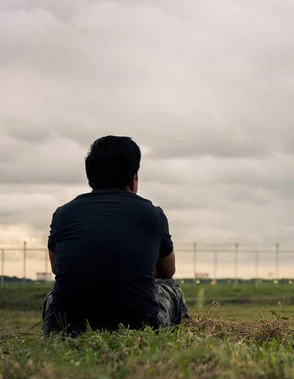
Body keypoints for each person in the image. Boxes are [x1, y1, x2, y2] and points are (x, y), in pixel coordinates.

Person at [42, 135, 189, 338]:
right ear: (133, 179)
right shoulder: (152, 213)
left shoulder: (63, 213)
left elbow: (57, 268)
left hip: (69, 325)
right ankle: (166, 343)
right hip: (138, 325)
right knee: (172, 289)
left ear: (90, 176)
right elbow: (167, 271)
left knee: (55, 292)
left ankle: (56, 335)